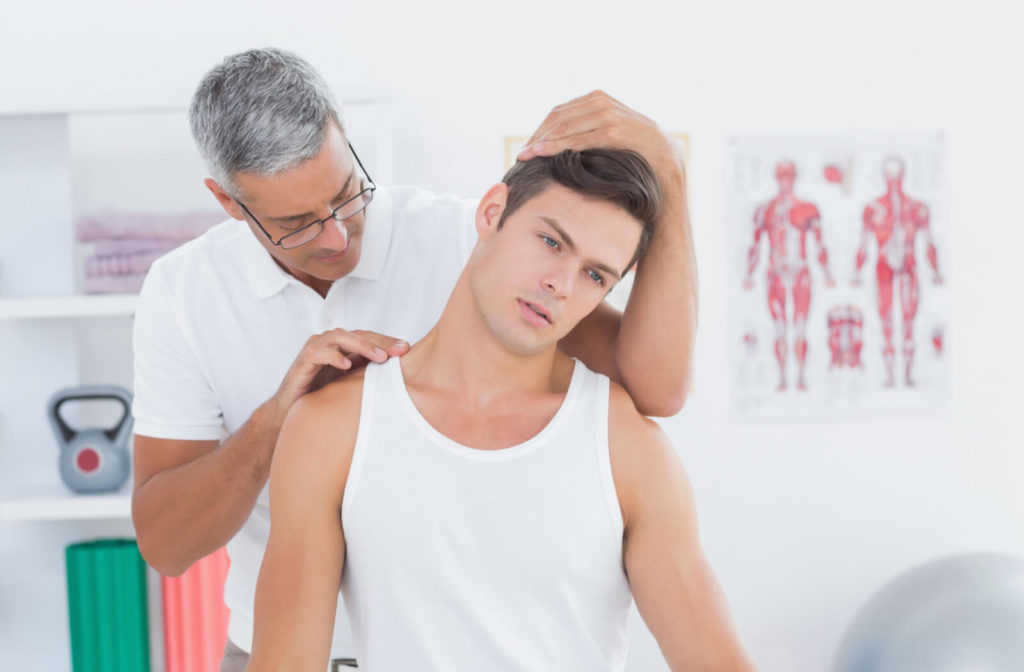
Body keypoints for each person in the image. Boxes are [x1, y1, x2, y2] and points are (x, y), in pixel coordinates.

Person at [130, 48, 698, 668]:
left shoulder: (463, 238)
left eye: (348, 195)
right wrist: (279, 420)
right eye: (296, 224)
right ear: (230, 203)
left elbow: (659, 387)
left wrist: (671, 176)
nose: (337, 236)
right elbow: (166, 545)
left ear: (344, 134)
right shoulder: (183, 292)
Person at [247, 148, 754, 672]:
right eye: (551, 241)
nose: (561, 283)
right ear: (492, 212)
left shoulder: (626, 448)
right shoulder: (333, 428)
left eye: (596, 276)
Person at [743, 160, 835, 391]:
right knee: (780, 328)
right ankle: (783, 378)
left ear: (794, 178)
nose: (785, 181)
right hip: (775, 273)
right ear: (777, 178)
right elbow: (755, 245)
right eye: (782, 176)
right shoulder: (765, 210)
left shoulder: (808, 208)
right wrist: (749, 274)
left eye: (789, 176)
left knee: (801, 326)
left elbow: (820, 244)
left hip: (801, 272)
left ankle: (801, 377)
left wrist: (827, 273)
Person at [853, 155, 943, 387]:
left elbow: (929, 242)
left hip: (909, 267)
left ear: (903, 175)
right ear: (884, 176)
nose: (893, 180)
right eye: (889, 175)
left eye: (897, 175)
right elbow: (864, 244)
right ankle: (890, 376)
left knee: (908, 322)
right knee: (885, 322)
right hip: (883, 268)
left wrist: (936, 270)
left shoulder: (917, 208)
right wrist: (856, 272)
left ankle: (908, 376)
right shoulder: (873, 209)